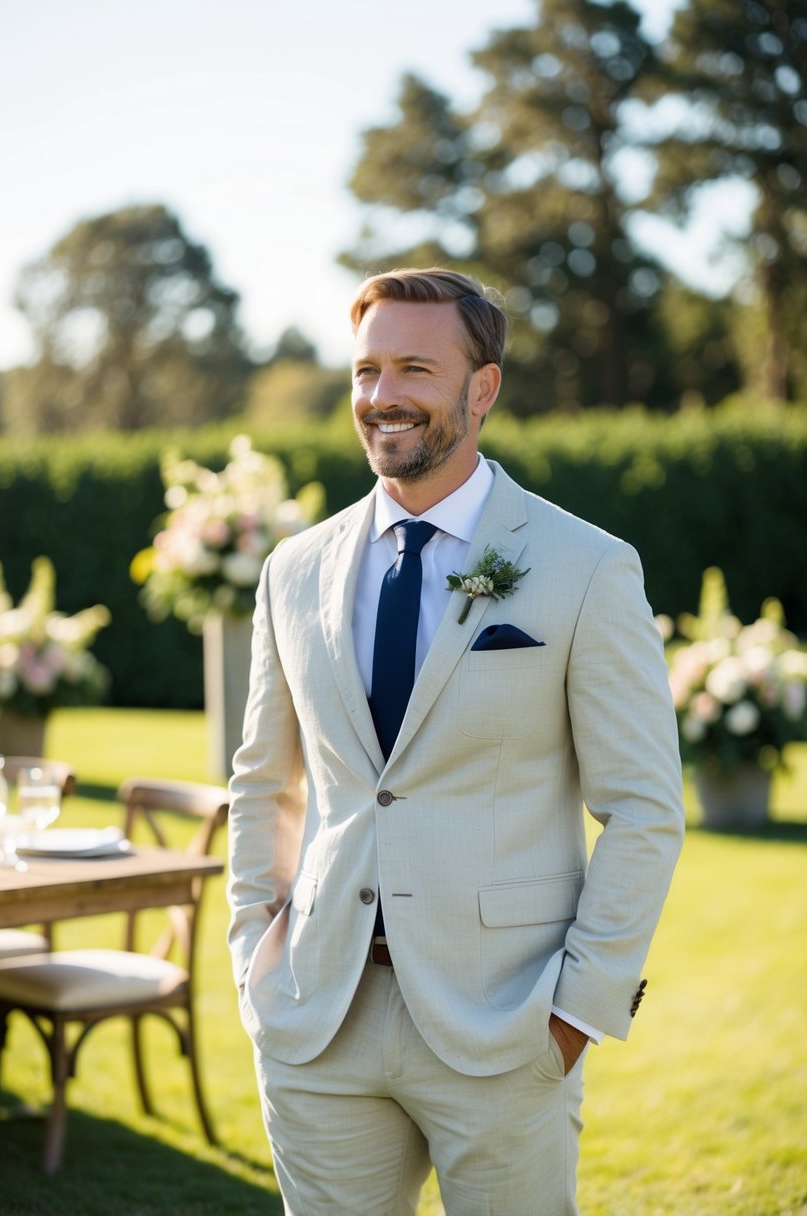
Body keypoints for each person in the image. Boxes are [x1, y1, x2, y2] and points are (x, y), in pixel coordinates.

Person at [227, 267, 684, 1215]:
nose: (381, 397)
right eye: (364, 371)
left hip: (505, 1023)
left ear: (482, 389)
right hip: (318, 1019)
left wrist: (575, 1013)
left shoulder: (586, 567)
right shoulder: (292, 569)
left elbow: (642, 809)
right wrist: (252, 961)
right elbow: (263, 784)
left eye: (412, 369)